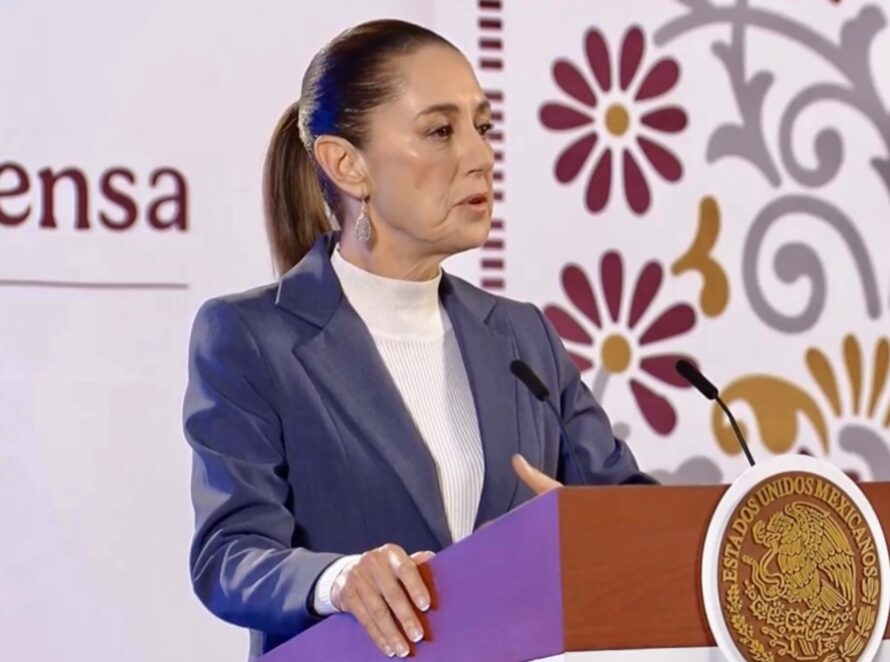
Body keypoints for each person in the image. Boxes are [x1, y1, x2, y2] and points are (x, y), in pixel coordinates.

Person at [183, 18, 652, 661]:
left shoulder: (523, 336)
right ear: (347, 165)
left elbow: (642, 521)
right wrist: (337, 580)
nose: (480, 157)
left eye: (483, 128)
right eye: (440, 131)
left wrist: (592, 534)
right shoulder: (249, 336)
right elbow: (229, 556)